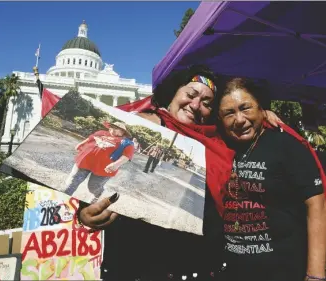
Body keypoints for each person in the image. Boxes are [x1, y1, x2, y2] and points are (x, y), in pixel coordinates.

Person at [76, 66, 283, 281]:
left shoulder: (216, 140)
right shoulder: (139, 123)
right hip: (133, 265)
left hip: (196, 266)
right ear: (174, 93)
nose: (195, 105)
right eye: (191, 94)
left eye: (206, 103)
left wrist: (261, 114)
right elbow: (98, 174)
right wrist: (85, 213)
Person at [217, 77, 326, 281]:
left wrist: (315, 274)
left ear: (261, 109)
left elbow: (317, 206)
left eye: (246, 108)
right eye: (229, 113)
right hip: (233, 271)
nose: (239, 119)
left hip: (282, 270)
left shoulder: (287, 145)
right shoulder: (218, 147)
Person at [64, 121, 134, 203]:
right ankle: (62, 200)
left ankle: (98, 194)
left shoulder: (127, 142)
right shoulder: (101, 132)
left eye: (117, 129)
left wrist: (116, 164)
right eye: (112, 127)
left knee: (93, 187)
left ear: (122, 132)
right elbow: (90, 138)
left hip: (103, 169)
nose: (113, 130)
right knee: (73, 182)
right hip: (85, 162)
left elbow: (127, 156)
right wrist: (81, 143)